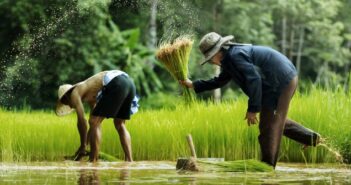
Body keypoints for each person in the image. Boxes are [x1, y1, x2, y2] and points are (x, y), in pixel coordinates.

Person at [180, 32, 321, 168]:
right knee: (271, 121)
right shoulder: (229, 60)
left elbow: (254, 79)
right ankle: (310, 138)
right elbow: (219, 81)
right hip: (274, 83)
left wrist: (253, 109)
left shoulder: (235, 56)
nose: (211, 62)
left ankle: (267, 167)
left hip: (281, 80)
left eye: (210, 59)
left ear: (217, 52)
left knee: (270, 126)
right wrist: (193, 85)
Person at [56, 70, 138, 162]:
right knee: (119, 124)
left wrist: (83, 146)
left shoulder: (75, 93)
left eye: (66, 103)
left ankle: (93, 161)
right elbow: (93, 126)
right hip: (129, 83)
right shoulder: (91, 93)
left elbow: (82, 121)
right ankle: (130, 160)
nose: (70, 106)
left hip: (117, 83)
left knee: (94, 122)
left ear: (67, 96)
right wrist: (85, 145)